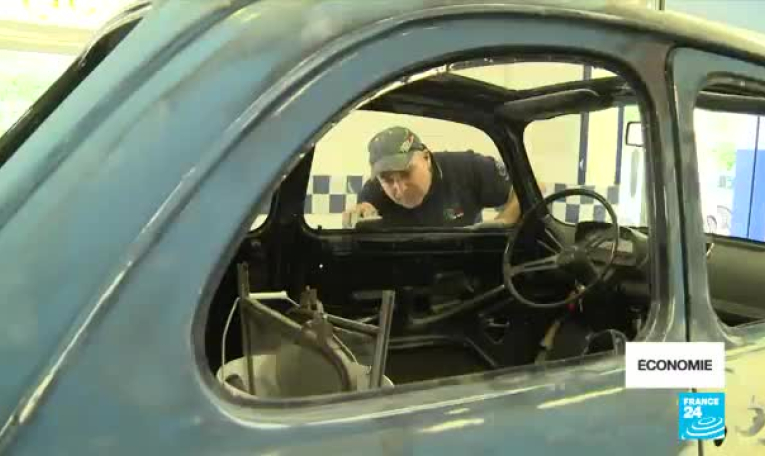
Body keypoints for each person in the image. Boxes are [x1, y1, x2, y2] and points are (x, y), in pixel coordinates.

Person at [343, 126, 524, 228]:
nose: (400, 188)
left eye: (406, 173)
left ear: (426, 158)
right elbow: (363, 213)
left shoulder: (468, 168)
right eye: (388, 180)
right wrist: (358, 217)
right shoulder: (372, 192)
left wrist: (505, 221)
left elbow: (529, 185)